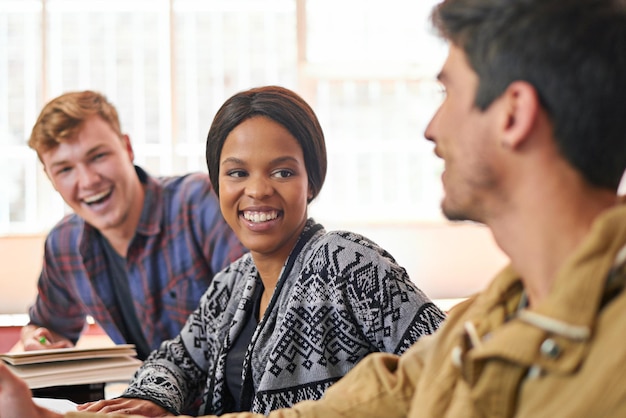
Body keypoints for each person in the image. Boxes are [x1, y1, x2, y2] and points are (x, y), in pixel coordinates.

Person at [4, 0, 626, 415]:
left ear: (513, 114)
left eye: (449, 93)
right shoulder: (495, 313)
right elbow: (375, 393)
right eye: (237, 173)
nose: (431, 129)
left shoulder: (349, 265)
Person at [68, 85, 445, 416]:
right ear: (216, 185)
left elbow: (452, 364)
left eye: (282, 172)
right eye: (237, 173)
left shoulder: (346, 261)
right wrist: (153, 399)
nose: (258, 190)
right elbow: (176, 360)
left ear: (310, 182)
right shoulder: (231, 283)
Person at [21, 90, 248, 360]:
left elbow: (256, 311)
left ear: (127, 148)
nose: (88, 181)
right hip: (151, 397)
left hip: (234, 399)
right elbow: (48, 327)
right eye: (65, 170)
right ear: (50, 178)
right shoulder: (64, 243)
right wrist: (40, 340)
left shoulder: (197, 203)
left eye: (98, 156)